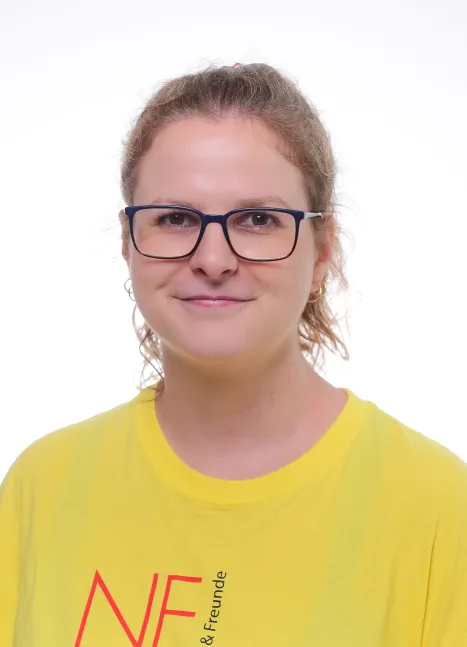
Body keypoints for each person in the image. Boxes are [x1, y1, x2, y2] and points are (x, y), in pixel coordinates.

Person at [1, 63, 466, 647]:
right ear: (127, 243)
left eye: (257, 219)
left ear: (322, 251)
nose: (214, 260)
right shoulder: (41, 486)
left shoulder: (437, 505)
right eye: (175, 218)